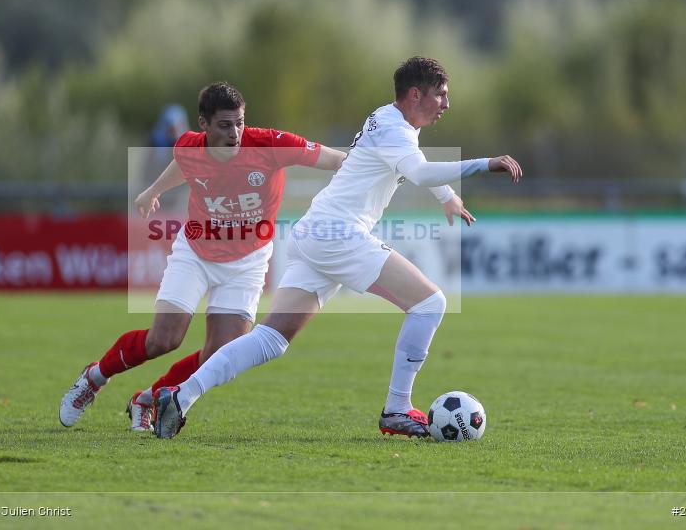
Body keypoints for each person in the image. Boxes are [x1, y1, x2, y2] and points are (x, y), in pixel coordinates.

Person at [153, 56, 522, 439]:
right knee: (430, 304)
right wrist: (485, 163)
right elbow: (419, 171)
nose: (446, 104)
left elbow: (414, 163)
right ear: (416, 95)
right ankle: (397, 408)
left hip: (316, 231)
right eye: (441, 95)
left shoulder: (390, 120)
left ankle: (180, 396)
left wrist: (446, 196)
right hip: (340, 235)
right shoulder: (394, 129)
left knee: (271, 340)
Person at [59, 81, 347, 431]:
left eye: (239, 123)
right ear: (204, 124)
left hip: (247, 262)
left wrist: (375, 169)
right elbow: (183, 165)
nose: (235, 133)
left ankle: (147, 399)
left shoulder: (269, 144)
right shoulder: (188, 146)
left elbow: (334, 159)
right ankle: (93, 378)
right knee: (163, 340)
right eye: (225, 125)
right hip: (196, 253)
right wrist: (153, 190)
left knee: (221, 356)